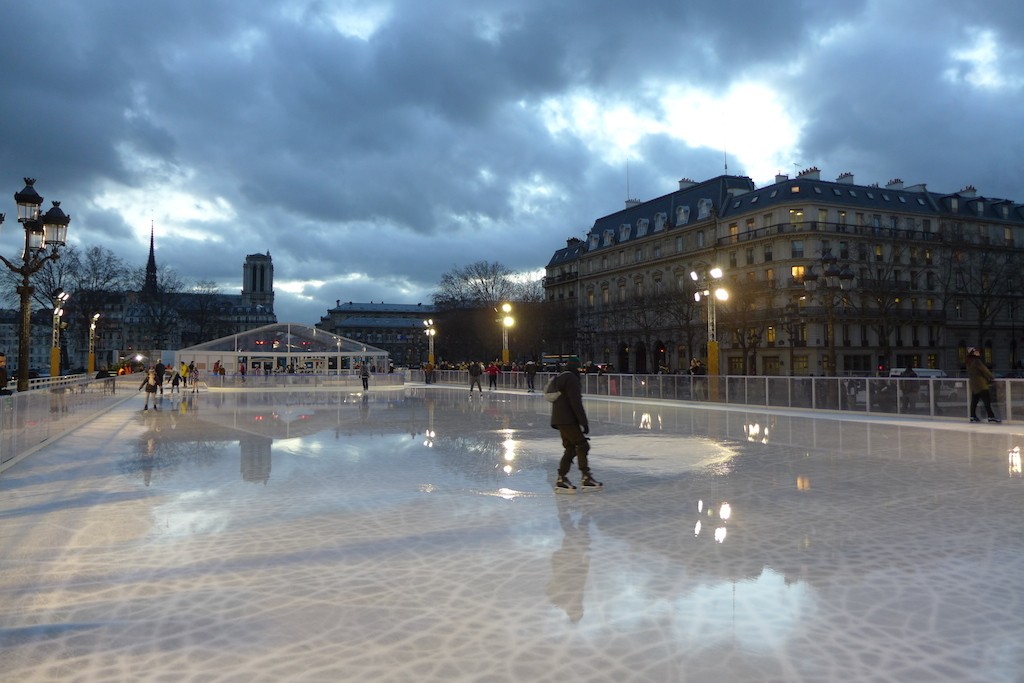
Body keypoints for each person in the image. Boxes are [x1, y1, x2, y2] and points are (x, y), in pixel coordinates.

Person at [549, 356, 601, 492]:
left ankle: (561, 478)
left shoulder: (561, 377)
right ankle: (586, 477)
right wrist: (584, 422)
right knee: (583, 445)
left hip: (559, 419)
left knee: (571, 448)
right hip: (567, 419)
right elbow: (575, 402)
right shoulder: (571, 378)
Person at [967, 347, 1000, 423]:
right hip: (981, 384)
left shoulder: (969, 362)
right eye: (976, 352)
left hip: (974, 385)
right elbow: (985, 370)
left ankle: (972, 416)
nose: (978, 353)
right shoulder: (976, 361)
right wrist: (992, 377)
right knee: (987, 401)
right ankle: (991, 416)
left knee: (974, 401)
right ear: (973, 353)